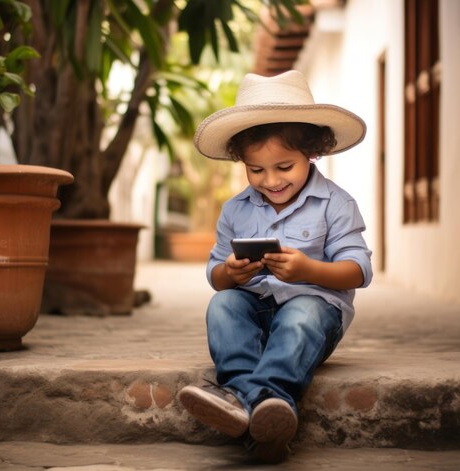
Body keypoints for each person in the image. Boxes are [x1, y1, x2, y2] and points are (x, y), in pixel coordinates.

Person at [178, 70, 373, 463]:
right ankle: (251, 405)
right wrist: (230, 274)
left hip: (314, 313)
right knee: (224, 305)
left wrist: (308, 271)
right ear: (242, 162)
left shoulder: (336, 203)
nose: (270, 180)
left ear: (311, 153)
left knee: (301, 312)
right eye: (256, 170)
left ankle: (262, 397)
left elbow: (358, 270)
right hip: (256, 309)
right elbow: (216, 276)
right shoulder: (235, 209)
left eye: (284, 167)